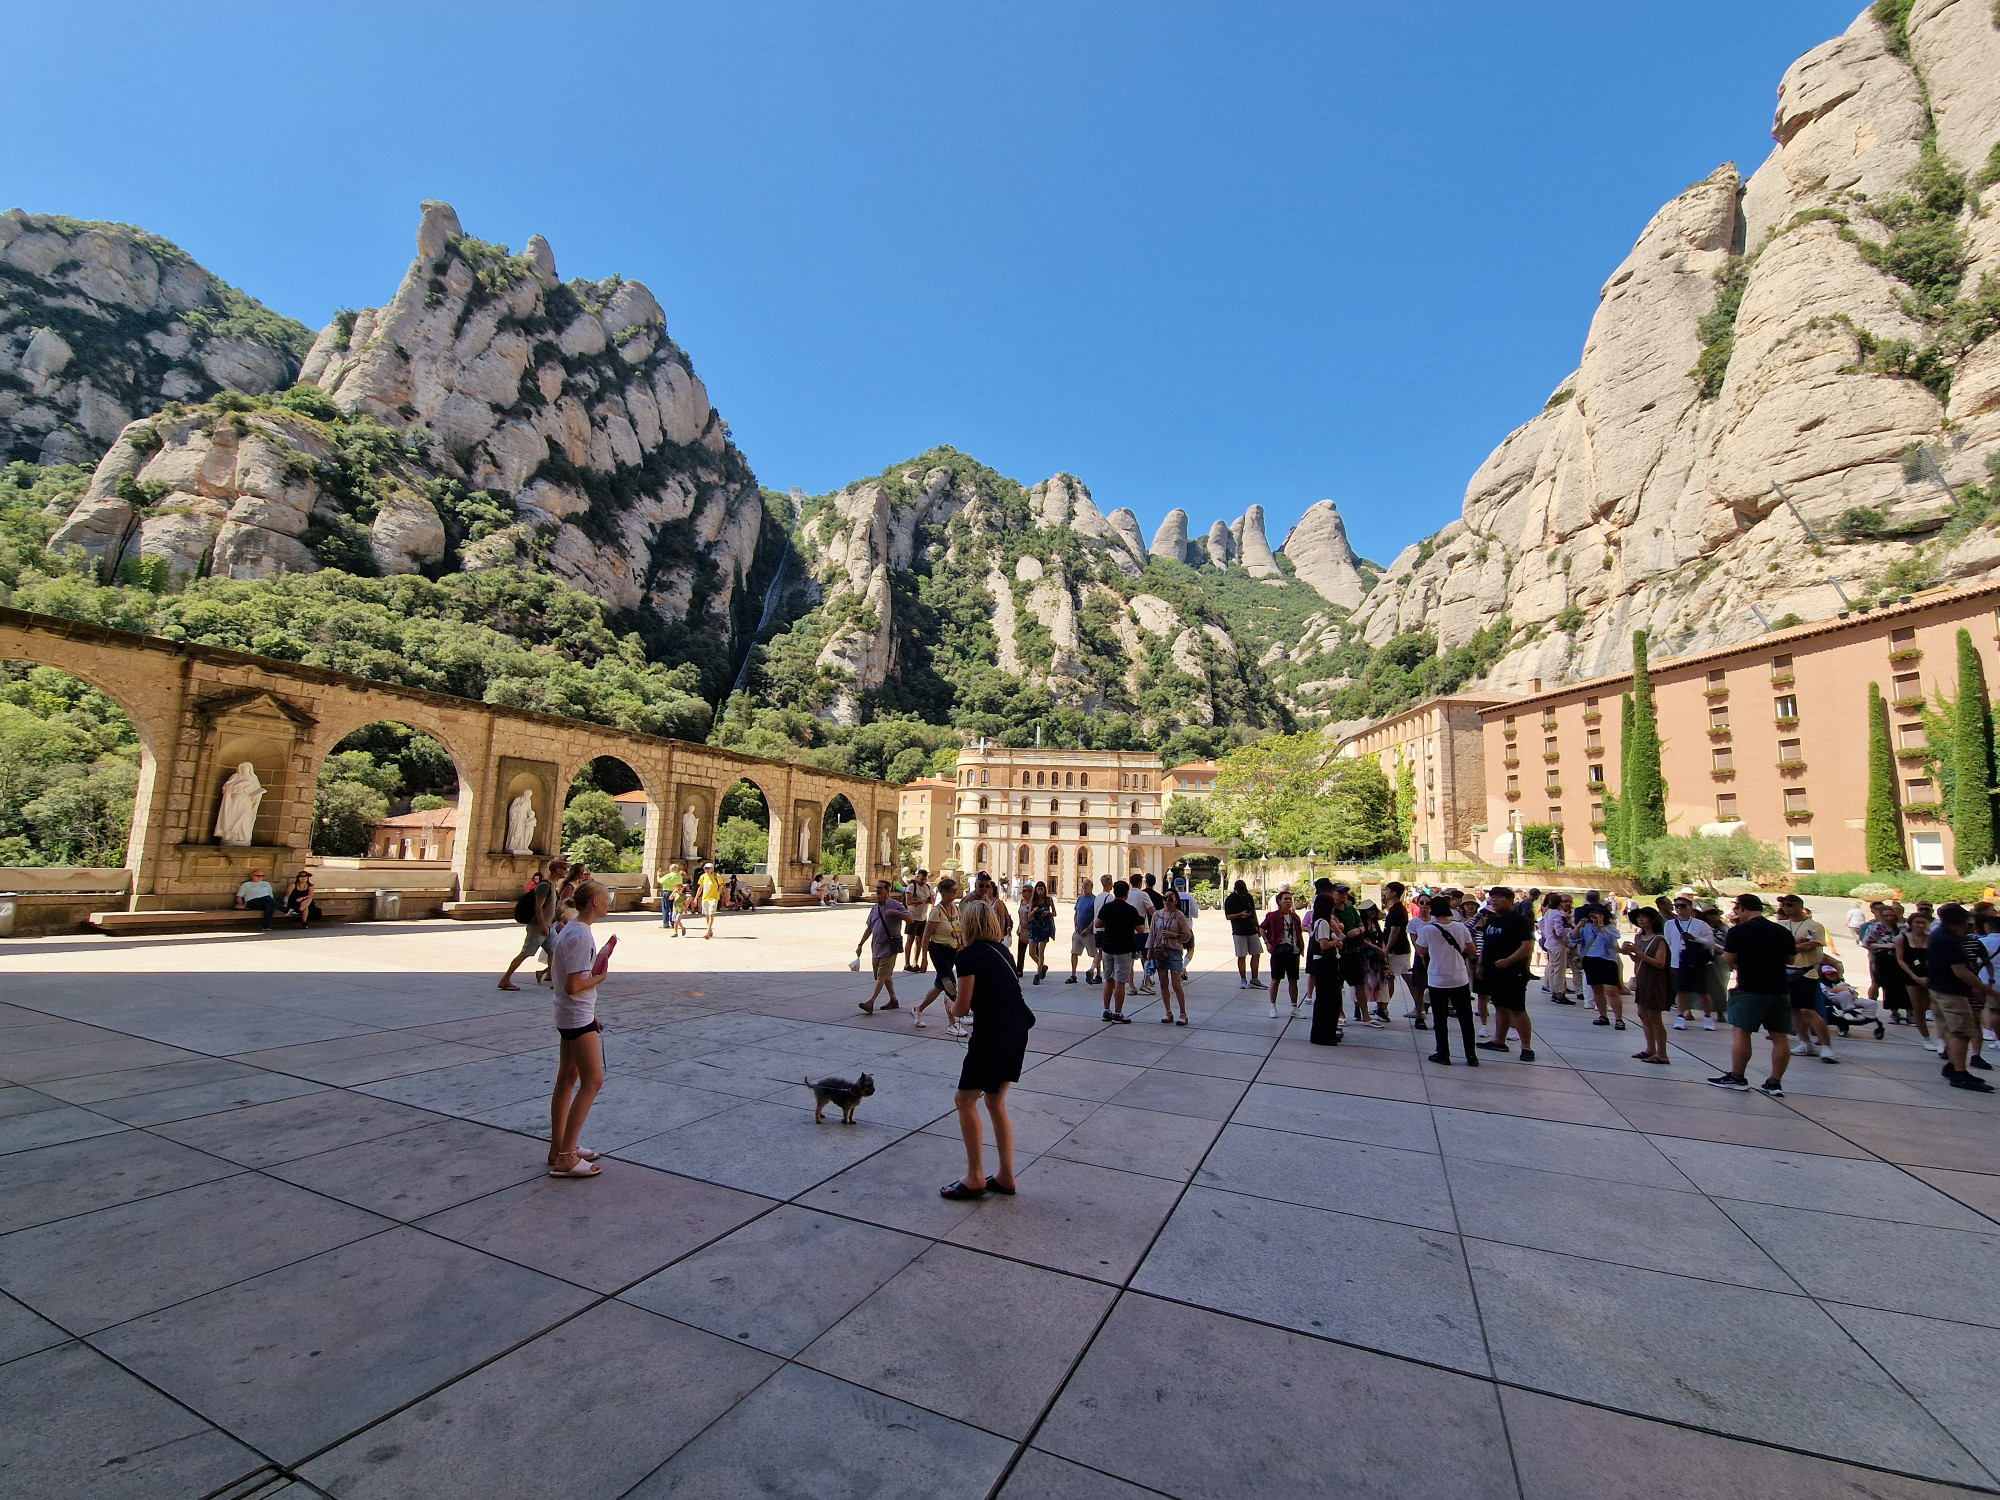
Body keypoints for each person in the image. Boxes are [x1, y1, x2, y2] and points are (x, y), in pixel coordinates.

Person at [942, 899, 1034, 1199]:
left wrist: (949, 1005)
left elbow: (963, 1006)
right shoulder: (1002, 951)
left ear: (967, 925)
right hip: (1016, 1029)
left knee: (964, 1101)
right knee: (995, 1103)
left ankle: (975, 1177)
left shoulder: (968, 956)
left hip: (992, 1034)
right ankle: (1006, 1176)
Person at [547, 878, 611, 1177]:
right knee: (592, 1080)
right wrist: (599, 978)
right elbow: (574, 985)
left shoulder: (572, 929)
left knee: (567, 1078)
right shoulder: (581, 935)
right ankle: (566, 1156)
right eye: (606, 898)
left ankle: (558, 1146)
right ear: (594, 903)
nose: (609, 902)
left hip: (572, 1012)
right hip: (575, 1015)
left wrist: (592, 1006)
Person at [1709, 893, 1797, 1097]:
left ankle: (1737, 1077)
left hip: (1750, 987)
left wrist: (1733, 962)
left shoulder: (1740, 931)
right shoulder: (1781, 931)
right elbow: (1791, 960)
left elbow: (1728, 958)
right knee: (1779, 1036)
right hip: (1779, 987)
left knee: (1742, 1031)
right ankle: (1775, 1081)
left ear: (1741, 908)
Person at [1924, 903, 1998, 1092]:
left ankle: (1952, 1065)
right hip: (1951, 993)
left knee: (1951, 1030)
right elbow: (1962, 973)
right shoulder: (1950, 942)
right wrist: (1989, 991)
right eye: (1967, 924)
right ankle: (1959, 1073)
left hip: (1938, 989)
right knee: (1961, 1032)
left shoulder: (1938, 936)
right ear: (1956, 923)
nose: (1969, 928)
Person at [1771, 893, 1837, 1062]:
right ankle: (1805, 1042)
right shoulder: (1781, 925)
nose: (1787, 907)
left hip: (1806, 972)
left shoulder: (1814, 926)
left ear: (1800, 905)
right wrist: (1794, 944)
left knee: (1808, 1010)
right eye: (1785, 905)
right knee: (1793, 1010)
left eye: (1791, 904)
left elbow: (1810, 945)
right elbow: (1775, 946)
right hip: (1785, 971)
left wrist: (1789, 946)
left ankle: (1825, 1044)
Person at [1414, 893, 1478, 1066]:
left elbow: (1421, 951)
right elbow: (1472, 950)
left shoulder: (1428, 929)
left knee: (1440, 1018)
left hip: (1438, 979)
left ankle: (1443, 1053)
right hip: (1459, 978)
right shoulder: (1461, 927)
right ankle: (1471, 1055)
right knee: (1466, 1018)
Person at [1474, 886, 1537, 1061]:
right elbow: (1486, 946)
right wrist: (1480, 965)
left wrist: (1508, 961)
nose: (1494, 901)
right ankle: (1499, 1040)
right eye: (1492, 897)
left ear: (1510, 900)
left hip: (1513, 972)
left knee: (1517, 1009)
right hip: (1493, 972)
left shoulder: (1520, 921)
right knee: (1499, 1005)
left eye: (1499, 898)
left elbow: (1527, 947)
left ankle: (1526, 1047)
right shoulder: (1492, 921)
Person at [500, 859, 566, 991]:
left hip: (549, 927)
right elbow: (538, 907)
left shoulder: (553, 885)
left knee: (555, 951)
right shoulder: (544, 886)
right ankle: (505, 980)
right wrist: (542, 925)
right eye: (564, 869)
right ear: (557, 870)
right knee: (525, 953)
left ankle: (554, 980)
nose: (566, 872)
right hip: (538, 927)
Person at [1623, 907, 1675, 1063]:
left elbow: (1660, 963)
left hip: (1655, 981)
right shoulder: (1639, 938)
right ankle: (1650, 1048)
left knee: (1654, 1016)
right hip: (1643, 980)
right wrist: (1630, 952)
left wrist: (1637, 953)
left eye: (1644, 917)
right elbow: (1640, 960)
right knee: (1642, 1014)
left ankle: (1662, 1053)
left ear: (1652, 920)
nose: (1641, 920)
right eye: (1639, 917)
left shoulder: (1659, 940)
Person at [913, 878, 964, 1034]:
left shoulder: (956, 908)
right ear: (944, 892)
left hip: (953, 951)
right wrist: (923, 958)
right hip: (939, 951)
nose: (955, 893)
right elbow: (926, 935)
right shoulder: (937, 911)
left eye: (956, 890)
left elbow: (960, 929)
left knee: (940, 984)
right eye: (952, 890)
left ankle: (919, 1009)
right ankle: (952, 1023)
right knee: (950, 985)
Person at [855, 879, 912, 1014]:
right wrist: (860, 944)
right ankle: (893, 999)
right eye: (876, 888)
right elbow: (869, 928)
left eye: (880, 888)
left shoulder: (895, 905)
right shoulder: (875, 908)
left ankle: (871, 1002)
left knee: (882, 975)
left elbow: (911, 920)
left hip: (890, 946)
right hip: (876, 946)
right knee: (884, 975)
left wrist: (896, 913)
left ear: (887, 891)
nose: (877, 890)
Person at [1664, 894, 1718, 1030]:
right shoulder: (1669, 924)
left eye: (1683, 906)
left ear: (1690, 908)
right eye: (1677, 906)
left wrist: (1695, 938)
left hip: (1697, 962)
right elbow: (1669, 941)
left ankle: (1707, 1017)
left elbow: (1710, 943)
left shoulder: (1701, 925)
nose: (1680, 909)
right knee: (1681, 990)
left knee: (1702, 991)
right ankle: (1681, 1016)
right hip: (1679, 962)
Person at [1094, 879, 1143, 1023]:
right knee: (1120, 981)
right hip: (1124, 948)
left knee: (1108, 979)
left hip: (1108, 946)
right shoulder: (1130, 910)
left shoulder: (1107, 908)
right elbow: (1140, 929)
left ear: (1114, 892)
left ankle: (1106, 1010)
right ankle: (1118, 1012)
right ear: (1126, 894)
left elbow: (1097, 923)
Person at [1576, 903, 1625, 1030]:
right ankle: (1603, 1016)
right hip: (1591, 960)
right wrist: (1578, 926)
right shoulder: (1586, 927)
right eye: (1592, 913)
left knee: (1611, 990)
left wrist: (1602, 925)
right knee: (1596, 989)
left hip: (1607, 960)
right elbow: (1575, 939)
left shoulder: (1610, 928)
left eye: (1598, 913)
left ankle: (1619, 1018)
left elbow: (1610, 940)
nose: (1594, 915)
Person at [1148, 890, 1194, 1025]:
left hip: (1174, 951)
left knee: (1176, 983)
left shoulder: (1179, 916)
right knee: (1163, 983)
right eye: (1165, 898)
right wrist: (1149, 953)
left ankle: (1183, 1013)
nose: (1167, 901)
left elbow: (1186, 935)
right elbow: (1152, 934)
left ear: (1175, 901)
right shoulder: (1157, 915)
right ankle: (1168, 1012)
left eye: (1170, 899)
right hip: (1159, 951)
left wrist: (1172, 935)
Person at [1307, 891, 1345, 1045]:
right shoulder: (1323, 922)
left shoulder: (1323, 922)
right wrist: (1338, 941)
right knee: (1326, 999)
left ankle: (1327, 1032)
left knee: (1330, 999)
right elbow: (1323, 945)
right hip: (1324, 963)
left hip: (1326, 962)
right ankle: (1323, 1034)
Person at [1262, 889, 1305, 1017]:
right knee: (1275, 979)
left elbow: (1299, 933)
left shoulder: (1295, 917)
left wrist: (1300, 948)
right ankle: (1273, 1006)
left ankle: (1294, 1007)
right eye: (1285, 899)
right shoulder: (1272, 916)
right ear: (1279, 902)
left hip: (1293, 951)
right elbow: (1262, 927)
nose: (1288, 901)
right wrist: (1268, 943)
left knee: (1293, 980)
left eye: (1290, 899)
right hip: (1279, 951)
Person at [1898, 910, 1935, 1049]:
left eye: (1923, 922)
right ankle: (1925, 1036)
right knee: (1917, 1007)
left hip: (1930, 975)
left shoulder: (1932, 938)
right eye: (1917, 922)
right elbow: (1900, 959)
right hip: (1911, 975)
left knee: (1931, 1005)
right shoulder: (1902, 938)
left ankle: (1939, 1037)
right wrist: (1914, 976)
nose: (1920, 925)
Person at [1539, 893, 1580, 1005]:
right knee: (1559, 970)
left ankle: (1554, 991)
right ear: (1560, 903)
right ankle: (1559, 993)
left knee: (1553, 968)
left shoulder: (1549, 912)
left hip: (1550, 943)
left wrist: (1547, 934)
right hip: (1558, 944)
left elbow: (1541, 923)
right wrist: (1563, 935)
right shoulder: (1558, 915)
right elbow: (1560, 931)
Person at [1225, 880, 1264, 990]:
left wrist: (1257, 926)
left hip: (1251, 928)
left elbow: (1253, 911)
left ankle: (1254, 979)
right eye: (1240, 892)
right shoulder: (1230, 900)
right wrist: (1240, 915)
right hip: (1239, 931)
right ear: (1235, 889)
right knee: (1241, 956)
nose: (1242, 894)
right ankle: (1243, 979)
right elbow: (1228, 916)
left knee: (1256, 953)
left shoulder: (1248, 896)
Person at [1068, 879, 1100, 985]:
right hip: (1078, 932)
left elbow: (1096, 917)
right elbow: (1076, 913)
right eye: (1083, 885)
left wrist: (1088, 929)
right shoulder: (1080, 899)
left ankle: (1098, 974)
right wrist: (1075, 925)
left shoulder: (1094, 900)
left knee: (1095, 954)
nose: (1084, 886)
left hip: (1089, 933)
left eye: (1087, 885)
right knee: (1074, 953)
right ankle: (1073, 975)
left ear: (1091, 887)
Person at [1025, 880, 1057, 984]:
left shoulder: (1048, 900)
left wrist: (1048, 913)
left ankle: (1038, 974)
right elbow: (1029, 917)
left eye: (1042, 889)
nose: (1040, 891)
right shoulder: (1033, 901)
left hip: (1044, 928)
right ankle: (1042, 966)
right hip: (1034, 927)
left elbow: (1055, 913)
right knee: (1031, 952)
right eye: (1038, 889)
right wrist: (1034, 911)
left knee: (1041, 952)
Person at [904, 870, 935, 973]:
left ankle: (915, 962)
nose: (923, 881)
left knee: (919, 941)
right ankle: (907, 963)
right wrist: (919, 902)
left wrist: (930, 901)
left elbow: (932, 899)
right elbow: (908, 902)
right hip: (912, 917)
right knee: (910, 939)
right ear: (917, 877)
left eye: (925, 879)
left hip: (923, 917)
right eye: (922, 879)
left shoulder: (928, 887)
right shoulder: (912, 887)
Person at [697, 862, 725, 937]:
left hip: (714, 898)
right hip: (705, 898)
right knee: (707, 915)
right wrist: (696, 898)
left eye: (708, 868)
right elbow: (700, 888)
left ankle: (708, 931)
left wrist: (726, 898)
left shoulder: (717, 876)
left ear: (712, 869)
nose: (706, 870)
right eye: (705, 868)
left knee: (711, 915)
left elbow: (722, 886)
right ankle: (710, 930)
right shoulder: (702, 877)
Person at [660, 863, 687, 936]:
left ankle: (665, 923)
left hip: (667, 892)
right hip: (676, 893)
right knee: (673, 908)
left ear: (671, 869)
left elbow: (660, 881)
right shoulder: (679, 876)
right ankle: (673, 922)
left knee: (665, 908)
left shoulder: (669, 875)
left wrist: (658, 875)